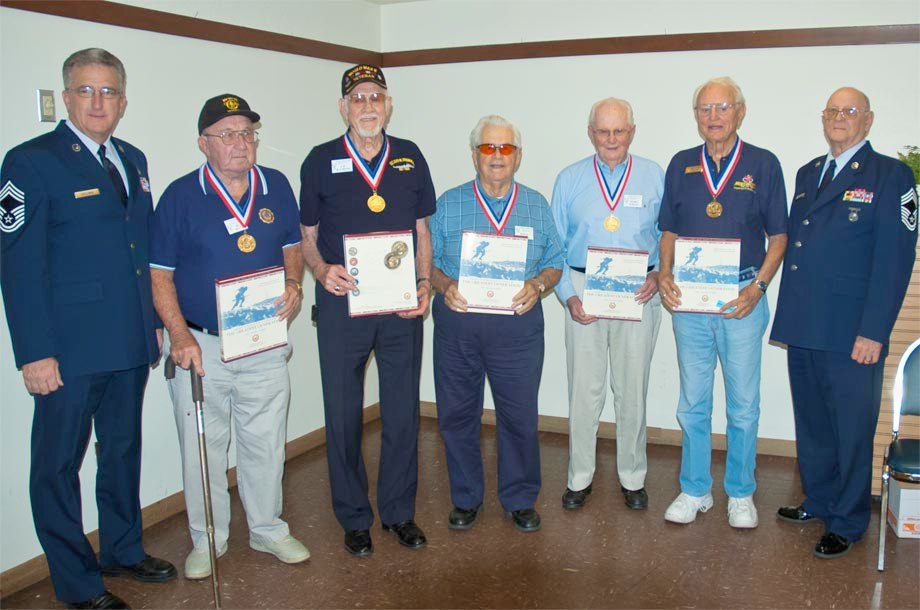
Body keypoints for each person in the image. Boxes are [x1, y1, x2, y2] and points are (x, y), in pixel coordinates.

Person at [0, 48, 176, 610]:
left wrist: (153, 327)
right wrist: (34, 352)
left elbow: (139, 252)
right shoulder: (30, 162)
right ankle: (77, 584)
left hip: (127, 341)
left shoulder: (134, 157)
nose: (98, 101)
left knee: (122, 450)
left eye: (109, 92)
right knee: (57, 467)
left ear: (123, 101)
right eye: (86, 90)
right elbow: (19, 266)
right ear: (66, 96)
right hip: (67, 350)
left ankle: (122, 550)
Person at [150, 94, 309, 578]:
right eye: (227, 135)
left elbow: (292, 248)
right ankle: (208, 538)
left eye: (247, 133)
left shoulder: (276, 186)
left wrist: (295, 285)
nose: (240, 144)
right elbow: (159, 276)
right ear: (204, 143)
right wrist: (180, 337)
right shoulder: (180, 196)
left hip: (261, 341)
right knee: (204, 448)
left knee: (264, 443)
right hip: (202, 347)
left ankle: (268, 530)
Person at [771, 87, 918, 558]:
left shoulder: (892, 175)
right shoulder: (808, 173)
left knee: (853, 430)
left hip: (853, 332)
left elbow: (895, 262)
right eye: (832, 111)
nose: (839, 118)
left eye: (849, 111)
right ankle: (820, 499)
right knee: (812, 424)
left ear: (868, 120)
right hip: (805, 325)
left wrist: (874, 331)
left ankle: (850, 520)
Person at [299, 65, 434, 556]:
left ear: (389, 104)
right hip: (341, 305)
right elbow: (307, 237)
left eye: (376, 96)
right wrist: (319, 270)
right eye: (358, 98)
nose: (368, 106)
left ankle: (399, 512)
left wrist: (424, 284)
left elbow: (421, 231)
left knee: (401, 412)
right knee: (342, 415)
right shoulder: (319, 160)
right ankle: (354, 517)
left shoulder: (410, 157)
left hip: (399, 308)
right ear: (343, 107)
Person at [658, 77, 788, 529]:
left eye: (721, 107)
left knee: (743, 404)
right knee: (692, 402)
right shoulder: (680, 164)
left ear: (740, 111)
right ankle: (695, 489)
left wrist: (759, 288)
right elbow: (669, 231)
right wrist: (665, 274)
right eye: (704, 109)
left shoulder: (763, 164)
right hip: (691, 301)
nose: (713, 117)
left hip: (741, 298)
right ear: (696, 116)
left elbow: (780, 237)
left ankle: (740, 493)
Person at [430, 115, 564, 533]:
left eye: (505, 148)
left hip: (518, 329)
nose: (497, 156)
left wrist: (539, 284)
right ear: (474, 154)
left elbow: (555, 262)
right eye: (488, 148)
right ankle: (466, 498)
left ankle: (520, 498)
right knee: (457, 415)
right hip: (459, 326)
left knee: (519, 416)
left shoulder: (536, 205)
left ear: (518, 156)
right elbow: (427, 261)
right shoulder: (448, 203)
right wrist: (444, 284)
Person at [550, 98, 664, 511]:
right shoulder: (570, 179)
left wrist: (658, 274)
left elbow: (669, 234)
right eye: (603, 131)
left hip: (639, 289)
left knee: (632, 389)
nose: (611, 139)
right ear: (591, 133)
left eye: (619, 131)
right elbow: (554, 246)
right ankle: (579, 477)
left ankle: (633, 477)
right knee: (585, 390)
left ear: (631, 131)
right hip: (584, 287)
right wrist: (569, 296)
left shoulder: (654, 176)